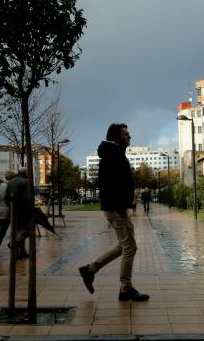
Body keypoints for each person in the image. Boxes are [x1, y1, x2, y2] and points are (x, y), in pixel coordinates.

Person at [78, 123, 149, 301]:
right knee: (130, 247)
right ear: (116, 137)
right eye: (126, 134)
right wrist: (122, 209)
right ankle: (125, 288)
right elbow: (112, 187)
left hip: (118, 209)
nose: (129, 137)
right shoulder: (112, 157)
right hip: (116, 210)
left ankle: (90, 270)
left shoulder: (116, 154)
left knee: (124, 246)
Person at [0, 170, 16, 259]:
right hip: (11, 210)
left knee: (2, 231)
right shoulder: (12, 185)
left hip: (1, 211)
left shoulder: (0, 185)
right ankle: (12, 245)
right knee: (15, 229)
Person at [8, 167, 31, 259]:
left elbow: (7, 197)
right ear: (24, 173)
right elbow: (26, 198)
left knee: (17, 231)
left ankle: (20, 252)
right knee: (26, 230)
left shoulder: (11, 182)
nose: (28, 173)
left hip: (13, 210)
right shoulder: (25, 182)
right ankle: (13, 244)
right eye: (28, 172)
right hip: (23, 210)